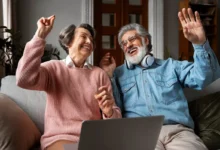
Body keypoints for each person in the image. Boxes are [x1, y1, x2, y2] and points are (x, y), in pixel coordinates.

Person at [100, 8, 220, 150]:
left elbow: (204, 77)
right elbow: (115, 112)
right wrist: (109, 76)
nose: (128, 45)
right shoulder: (118, 74)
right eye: (124, 43)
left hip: (178, 132)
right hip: (139, 134)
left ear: (145, 40)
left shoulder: (171, 66)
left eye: (132, 39)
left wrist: (200, 44)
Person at [16, 15, 121, 150]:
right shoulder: (53, 68)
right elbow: (24, 79)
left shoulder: (99, 74)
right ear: (69, 42)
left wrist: (109, 112)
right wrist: (40, 35)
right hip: (60, 137)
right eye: (83, 36)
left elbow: (115, 118)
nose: (89, 41)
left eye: (91, 39)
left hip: (93, 139)